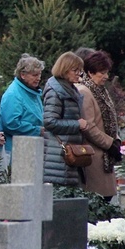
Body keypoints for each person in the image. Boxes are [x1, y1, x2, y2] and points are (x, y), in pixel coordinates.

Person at [76, 51, 122, 201]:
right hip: (95, 156)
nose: (106, 77)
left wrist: (116, 140)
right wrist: (110, 144)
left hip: (104, 155)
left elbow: (111, 119)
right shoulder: (85, 91)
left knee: (105, 200)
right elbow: (88, 126)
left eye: (107, 72)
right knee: (98, 202)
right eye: (102, 73)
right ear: (90, 72)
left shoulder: (99, 90)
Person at [42, 51, 88, 187]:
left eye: (80, 70)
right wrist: (77, 124)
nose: (78, 74)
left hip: (68, 153)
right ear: (64, 70)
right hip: (57, 155)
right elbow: (49, 121)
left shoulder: (70, 89)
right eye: (75, 70)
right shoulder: (55, 91)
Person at [0, 53, 45, 168]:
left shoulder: (32, 92)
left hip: (30, 147)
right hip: (17, 151)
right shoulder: (14, 94)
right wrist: (37, 130)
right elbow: (11, 123)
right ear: (23, 75)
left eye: (39, 74)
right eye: (34, 75)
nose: (38, 78)